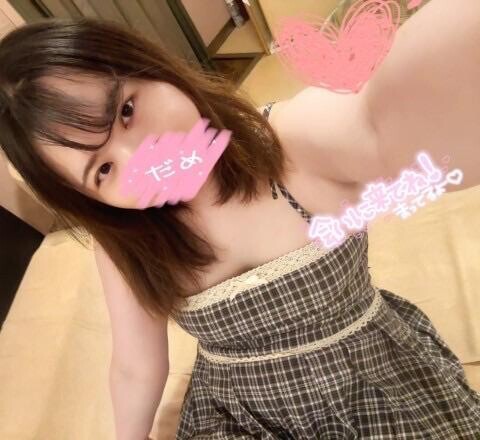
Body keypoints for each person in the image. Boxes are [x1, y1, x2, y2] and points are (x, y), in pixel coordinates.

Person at [1, 0, 480, 438]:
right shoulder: (127, 239)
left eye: (127, 111)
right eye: (104, 170)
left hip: (373, 381)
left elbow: (380, 122)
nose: (145, 161)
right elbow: (135, 365)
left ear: (152, 68)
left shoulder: (289, 144)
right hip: (239, 416)